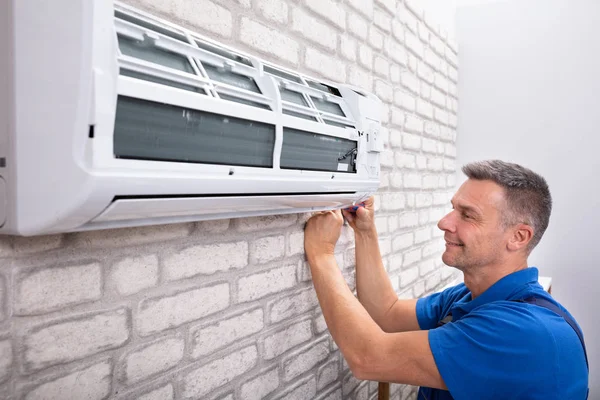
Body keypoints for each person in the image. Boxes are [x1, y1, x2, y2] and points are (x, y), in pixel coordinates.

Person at [304, 160, 588, 399]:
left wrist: (322, 254)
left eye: (467, 215)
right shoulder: (470, 296)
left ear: (518, 237)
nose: (445, 222)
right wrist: (364, 232)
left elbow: (368, 358)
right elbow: (386, 315)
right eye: (454, 208)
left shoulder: (523, 332)